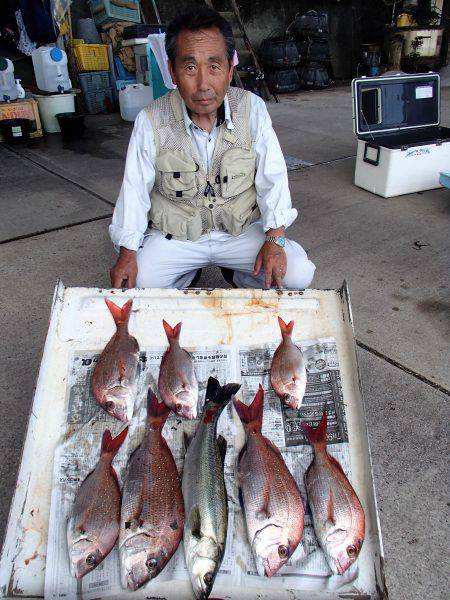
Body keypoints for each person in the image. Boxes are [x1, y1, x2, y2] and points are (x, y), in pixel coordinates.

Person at [109, 6, 315, 290]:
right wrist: (128, 252)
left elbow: (273, 178)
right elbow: (134, 191)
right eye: (190, 67)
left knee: (297, 274)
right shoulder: (150, 120)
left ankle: (239, 275)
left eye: (214, 66)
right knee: (136, 283)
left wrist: (275, 239)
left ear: (230, 70)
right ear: (172, 71)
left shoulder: (252, 109)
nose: (203, 84)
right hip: (177, 239)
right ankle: (184, 274)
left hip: (240, 234)